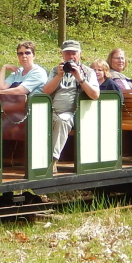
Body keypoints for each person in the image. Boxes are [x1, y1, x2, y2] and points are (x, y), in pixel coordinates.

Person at [42, 40, 100, 172]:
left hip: (75, 113)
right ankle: (34, 161)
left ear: (79, 54)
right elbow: (45, 92)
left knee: (63, 121)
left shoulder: (88, 72)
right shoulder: (55, 70)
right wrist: (58, 76)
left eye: (74, 53)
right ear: (62, 54)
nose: (71, 57)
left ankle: (52, 161)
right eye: (67, 53)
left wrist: (79, 77)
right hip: (52, 110)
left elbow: (95, 94)